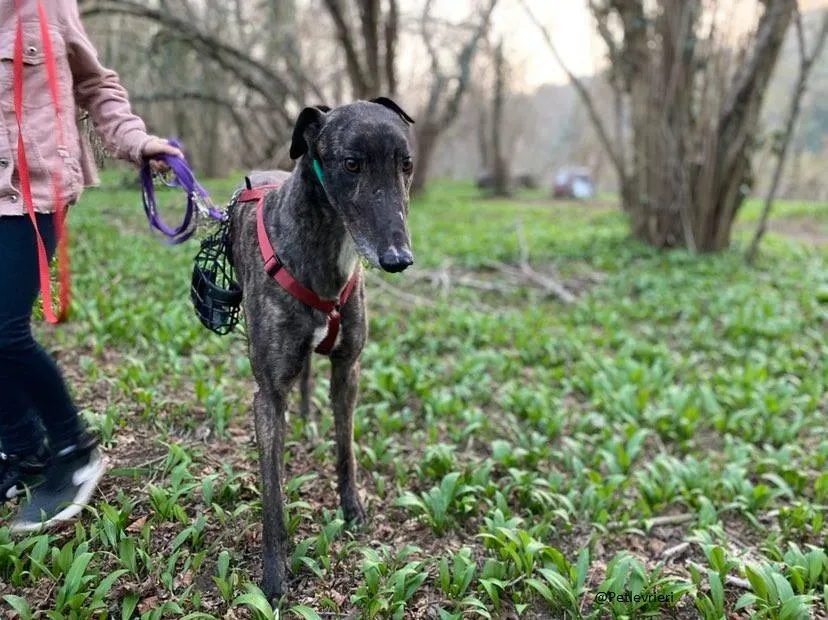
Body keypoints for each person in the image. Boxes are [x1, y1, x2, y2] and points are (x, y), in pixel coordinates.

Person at [0, 0, 183, 531]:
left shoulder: (44, 7)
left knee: (5, 331)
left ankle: (74, 450)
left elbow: (97, 86)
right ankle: (23, 450)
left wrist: (135, 142)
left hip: (30, 193)